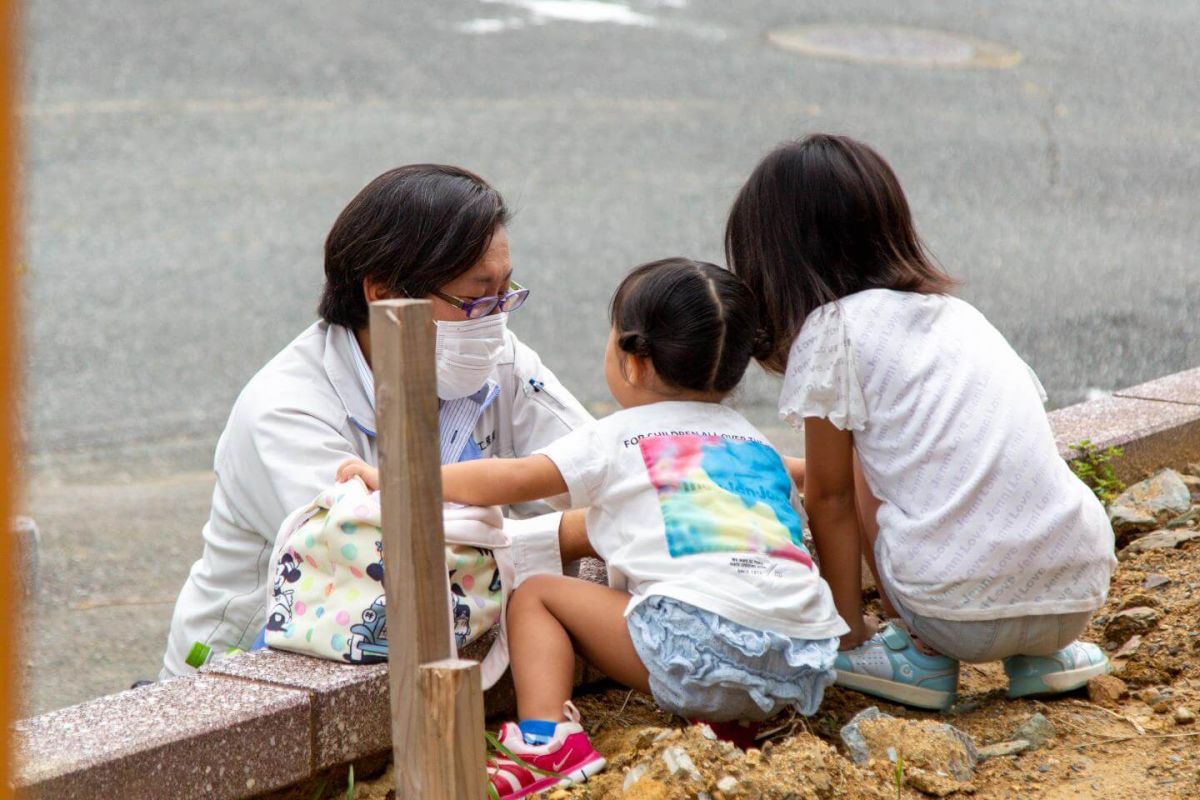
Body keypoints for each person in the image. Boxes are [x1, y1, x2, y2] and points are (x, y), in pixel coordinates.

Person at [342, 258, 848, 799]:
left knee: (538, 596)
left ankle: (548, 742)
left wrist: (402, 476)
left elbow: (512, 477)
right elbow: (806, 474)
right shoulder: (754, 442)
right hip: (802, 655)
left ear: (633, 361)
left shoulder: (616, 438)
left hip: (697, 649)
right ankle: (743, 723)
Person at [724, 133, 1117, 710]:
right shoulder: (963, 317)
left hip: (950, 612)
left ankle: (916, 654)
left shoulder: (833, 328)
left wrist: (845, 632)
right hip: (1076, 591)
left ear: (777, 259)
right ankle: (1040, 656)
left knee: (861, 462)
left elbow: (831, 499)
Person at [159, 165, 594, 678]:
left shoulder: (495, 355)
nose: (496, 317)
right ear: (383, 292)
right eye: (475, 297)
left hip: (439, 642)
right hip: (255, 676)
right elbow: (382, 566)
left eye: (506, 292)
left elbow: (595, 464)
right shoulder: (286, 410)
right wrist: (574, 532)